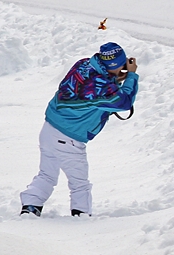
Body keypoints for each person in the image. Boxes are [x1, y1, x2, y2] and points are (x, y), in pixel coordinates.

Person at [19, 43, 139, 217]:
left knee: (47, 174)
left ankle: (30, 206)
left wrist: (116, 76)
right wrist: (132, 75)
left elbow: (96, 88)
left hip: (49, 129)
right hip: (69, 139)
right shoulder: (103, 87)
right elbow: (124, 102)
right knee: (79, 184)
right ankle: (81, 216)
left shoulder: (83, 64)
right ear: (115, 64)